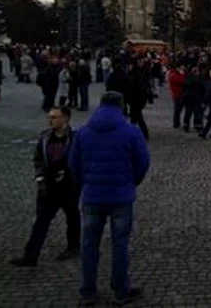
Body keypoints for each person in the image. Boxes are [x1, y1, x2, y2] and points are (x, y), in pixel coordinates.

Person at [68, 91, 150, 307]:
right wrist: (131, 182)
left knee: (89, 245)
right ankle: (120, 290)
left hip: (92, 196)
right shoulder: (131, 132)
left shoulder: (83, 132)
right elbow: (142, 163)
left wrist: (85, 182)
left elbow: (73, 165)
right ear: (121, 107)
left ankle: (88, 291)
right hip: (121, 196)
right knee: (120, 244)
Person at [10, 106, 80, 267]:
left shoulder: (76, 138)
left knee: (73, 217)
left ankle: (74, 246)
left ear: (66, 119)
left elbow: (80, 160)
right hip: (49, 187)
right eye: (49, 117)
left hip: (69, 186)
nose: (50, 120)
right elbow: (38, 160)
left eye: (54, 117)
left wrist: (72, 175)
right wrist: (40, 179)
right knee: (41, 220)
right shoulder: (45, 138)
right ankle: (31, 255)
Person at [168, 64, 186, 129]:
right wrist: (183, 75)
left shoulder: (173, 74)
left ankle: (177, 123)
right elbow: (182, 81)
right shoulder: (173, 75)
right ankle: (176, 123)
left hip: (178, 94)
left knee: (178, 109)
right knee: (177, 110)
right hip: (177, 94)